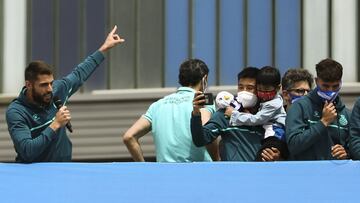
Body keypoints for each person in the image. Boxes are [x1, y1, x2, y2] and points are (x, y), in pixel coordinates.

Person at [6, 26, 124, 163]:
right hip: (34, 177)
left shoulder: (57, 90)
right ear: (29, 85)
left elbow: (79, 74)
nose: (50, 89)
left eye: (51, 82)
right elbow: (27, 151)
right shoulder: (16, 112)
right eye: (44, 85)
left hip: (63, 169)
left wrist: (104, 49)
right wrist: (55, 124)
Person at [122, 59, 218, 162]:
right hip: (198, 173)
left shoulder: (157, 105)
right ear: (205, 79)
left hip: (165, 174)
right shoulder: (202, 102)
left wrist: (144, 167)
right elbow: (207, 132)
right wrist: (217, 160)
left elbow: (129, 137)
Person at [191, 67, 287, 161]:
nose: (244, 92)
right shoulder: (225, 114)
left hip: (261, 174)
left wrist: (278, 156)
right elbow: (200, 140)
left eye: (250, 88)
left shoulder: (269, 117)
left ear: (260, 89)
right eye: (241, 87)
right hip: (233, 174)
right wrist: (196, 113)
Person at [285, 58, 351, 160]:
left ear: (341, 83)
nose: (330, 91)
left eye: (335, 86)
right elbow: (293, 145)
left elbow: (353, 148)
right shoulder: (299, 107)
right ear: (316, 81)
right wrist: (323, 122)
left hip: (336, 174)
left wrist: (346, 153)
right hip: (305, 173)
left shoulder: (346, 113)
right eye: (325, 86)